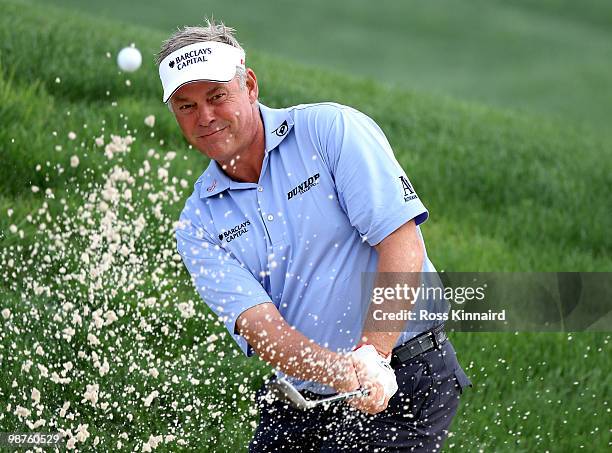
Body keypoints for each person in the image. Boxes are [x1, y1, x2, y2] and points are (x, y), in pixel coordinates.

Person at [157, 18, 472, 452]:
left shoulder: (329, 131)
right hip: (301, 403)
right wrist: (345, 372)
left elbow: (401, 242)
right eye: (186, 106)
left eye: (217, 96)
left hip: (406, 376)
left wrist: (373, 355)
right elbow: (260, 327)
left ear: (249, 86)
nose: (205, 117)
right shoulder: (198, 222)